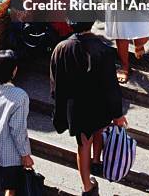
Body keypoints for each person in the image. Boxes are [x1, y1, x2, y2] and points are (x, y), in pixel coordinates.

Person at [50, 21, 126, 196]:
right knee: (99, 130)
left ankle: (87, 186)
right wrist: (117, 113)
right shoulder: (103, 50)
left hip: (76, 107)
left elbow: (55, 82)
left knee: (83, 144)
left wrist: (59, 106)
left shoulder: (61, 48)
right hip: (100, 105)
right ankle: (96, 161)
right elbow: (111, 86)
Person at [0, 50, 33, 196]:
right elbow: (18, 130)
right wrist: (25, 155)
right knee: (11, 187)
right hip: (9, 153)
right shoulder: (19, 96)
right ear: (14, 71)